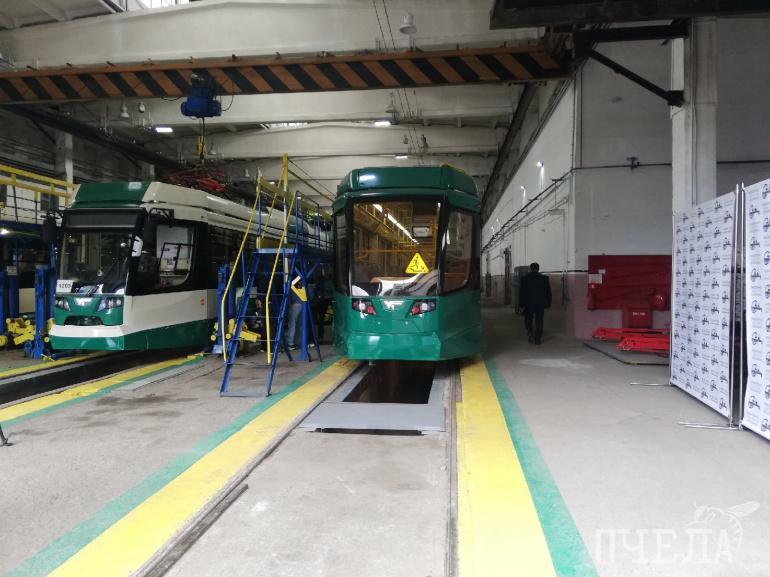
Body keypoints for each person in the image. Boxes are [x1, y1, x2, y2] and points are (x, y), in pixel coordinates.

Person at [518, 262, 552, 345]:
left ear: (530, 269)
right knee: (539, 321)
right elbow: (548, 292)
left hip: (528, 304)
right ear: (538, 269)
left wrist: (521, 304)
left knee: (528, 320)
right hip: (540, 304)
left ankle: (530, 332)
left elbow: (522, 292)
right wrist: (548, 303)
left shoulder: (524, 278)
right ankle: (537, 339)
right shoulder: (544, 278)